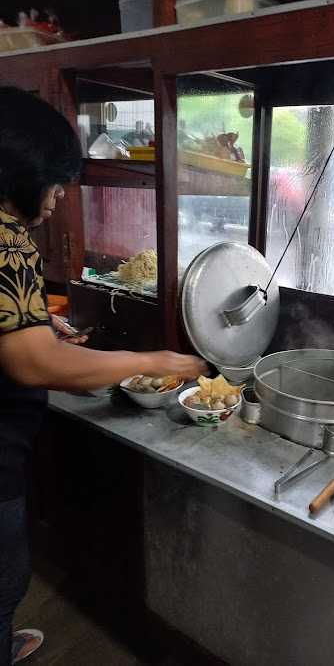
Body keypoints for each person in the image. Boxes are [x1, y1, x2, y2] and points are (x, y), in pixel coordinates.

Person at [0, 87, 207, 664]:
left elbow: (17, 338)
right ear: (21, 172)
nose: (60, 196)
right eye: (55, 180)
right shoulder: (8, 240)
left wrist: (37, 324)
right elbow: (35, 363)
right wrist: (156, 361)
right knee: (4, 577)